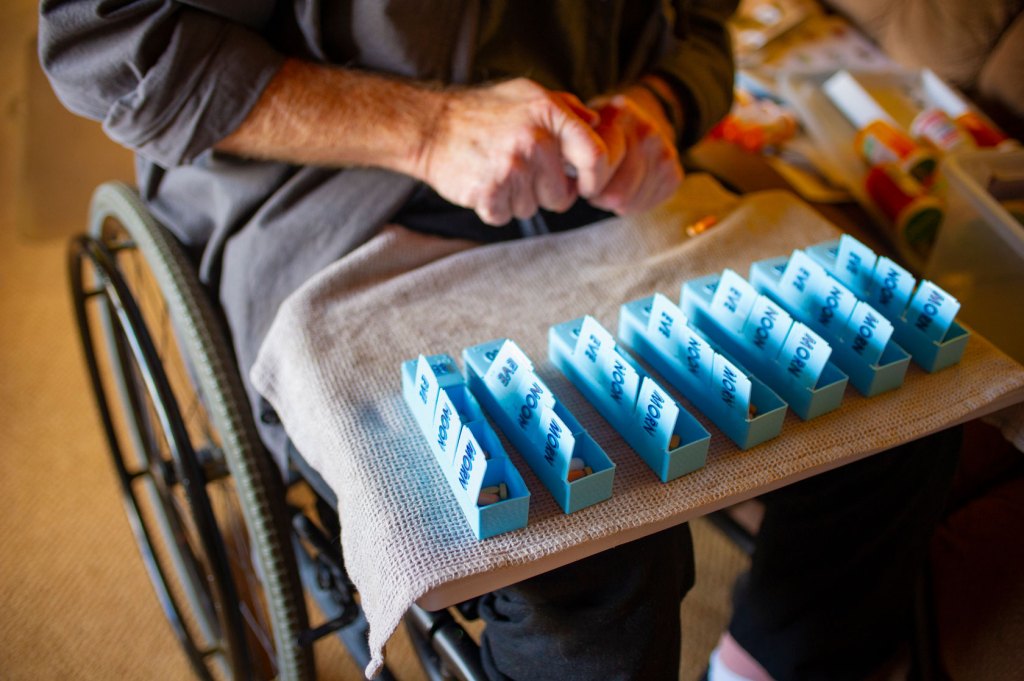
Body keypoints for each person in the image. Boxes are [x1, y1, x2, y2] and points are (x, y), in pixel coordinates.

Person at [39, 2, 960, 680]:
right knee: (585, 546)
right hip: (330, 205)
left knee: (901, 393)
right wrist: (431, 126)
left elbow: (704, 32)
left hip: (595, 178)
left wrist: (658, 105)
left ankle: (763, 664)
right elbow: (113, 40)